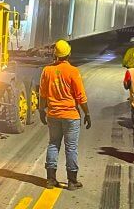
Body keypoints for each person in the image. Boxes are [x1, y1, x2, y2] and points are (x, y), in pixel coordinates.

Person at [39, 39, 91, 190]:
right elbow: (80, 96)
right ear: (69, 54)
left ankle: (50, 180)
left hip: (53, 114)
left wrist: (42, 110)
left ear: (55, 54)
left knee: (53, 144)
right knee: (71, 147)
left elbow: (42, 94)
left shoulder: (46, 70)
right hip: (70, 116)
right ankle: (72, 181)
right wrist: (87, 113)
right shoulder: (73, 71)